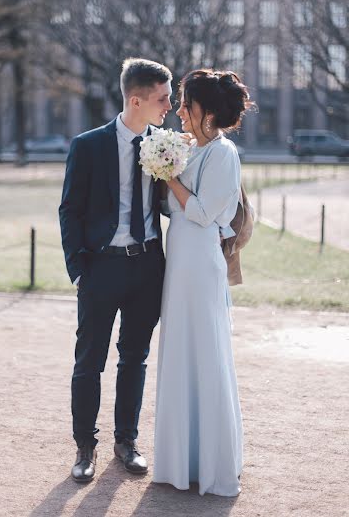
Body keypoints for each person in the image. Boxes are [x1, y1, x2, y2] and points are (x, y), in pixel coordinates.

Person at [59, 58, 172, 482]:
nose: (169, 106)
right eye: (163, 98)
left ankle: (126, 442)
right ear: (136, 99)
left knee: (135, 359)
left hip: (147, 268)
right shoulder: (88, 145)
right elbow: (69, 210)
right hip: (101, 268)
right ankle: (84, 447)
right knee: (89, 361)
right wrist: (80, 269)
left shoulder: (166, 143)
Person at [153, 69, 254, 497]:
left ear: (206, 111)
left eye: (185, 103)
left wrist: (168, 176)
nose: (178, 110)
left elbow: (204, 213)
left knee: (205, 354)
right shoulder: (189, 147)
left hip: (201, 262)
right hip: (178, 259)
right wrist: (163, 172)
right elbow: (172, 207)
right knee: (179, 352)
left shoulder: (224, 154)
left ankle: (211, 464)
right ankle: (181, 461)